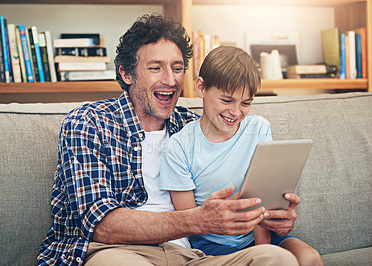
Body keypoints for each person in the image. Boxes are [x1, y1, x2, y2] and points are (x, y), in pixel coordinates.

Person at [38, 14, 299, 265]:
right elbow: (101, 225)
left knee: (278, 259)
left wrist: (272, 217)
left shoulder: (195, 126)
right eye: (155, 68)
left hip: (192, 255)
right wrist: (199, 220)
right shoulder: (89, 123)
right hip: (117, 252)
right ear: (127, 74)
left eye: (176, 69)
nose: (170, 80)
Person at [159, 45, 323, 266]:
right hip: (212, 246)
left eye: (246, 103)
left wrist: (267, 237)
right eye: (227, 100)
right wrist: (242, 204)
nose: (236, 112)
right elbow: (191, 223)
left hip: (260, 235)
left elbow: (265, 197)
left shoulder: (258, 128)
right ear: (201, 87)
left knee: (310, 258)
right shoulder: (179, 147)